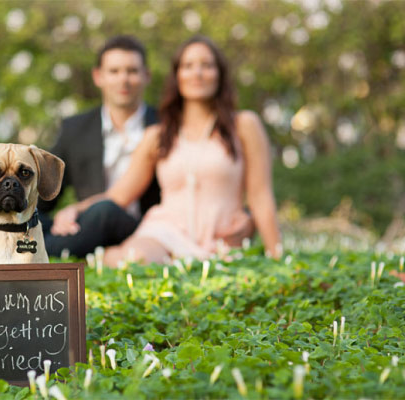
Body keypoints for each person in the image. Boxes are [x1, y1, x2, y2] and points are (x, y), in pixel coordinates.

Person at [70, 35, 282, 265]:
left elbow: (261, 196)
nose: (197, 73)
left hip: (222, 240)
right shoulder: (157, 135)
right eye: (188, 66)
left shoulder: (244, 125)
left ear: (219, 74)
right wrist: (74, 210)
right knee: (134, 259)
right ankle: (100, 260)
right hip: (165, 233)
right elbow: (119, 195)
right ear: (177, 76)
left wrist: (278, 257)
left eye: (207, 65)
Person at [38, 35, 160, 258]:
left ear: (146, 76)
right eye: (114, 71)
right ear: (98, 76)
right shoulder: (75, 128)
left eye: (132, 71)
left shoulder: (164, 127)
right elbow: (47, 193)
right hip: (85, 229)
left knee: (105, 211)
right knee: (34, 221)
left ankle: (34, 250)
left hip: (143, 230)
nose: (123, 79)